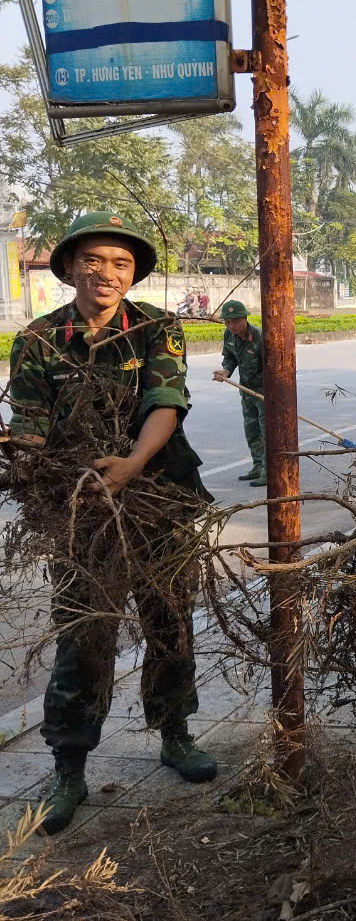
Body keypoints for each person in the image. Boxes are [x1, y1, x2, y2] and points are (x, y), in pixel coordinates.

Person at [6, 212, 217, 836]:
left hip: (158, 496)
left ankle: (175, 734)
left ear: (133, 275)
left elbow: (166, 402)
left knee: (169, 620)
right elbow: (30, 432)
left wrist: (131, 465)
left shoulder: (156, 327)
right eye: (94, 261)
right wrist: (25, 458)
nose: (107, 273)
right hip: (80, 511)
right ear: (69, 267)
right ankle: (69, 767)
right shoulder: (40, 342)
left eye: (121, 263)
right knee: (83, 635)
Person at [211, 300, 267, 487]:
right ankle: (257, 466)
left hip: (264, 393)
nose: (230, 325)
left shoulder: (259, 337)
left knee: (266, 432)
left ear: (244, 318)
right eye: (227, 322)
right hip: (246, 392)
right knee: (251, 431)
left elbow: (274, 366)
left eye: (234, 321)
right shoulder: (229, 335)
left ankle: (269, 471)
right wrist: (225, 371)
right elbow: (230, 357)